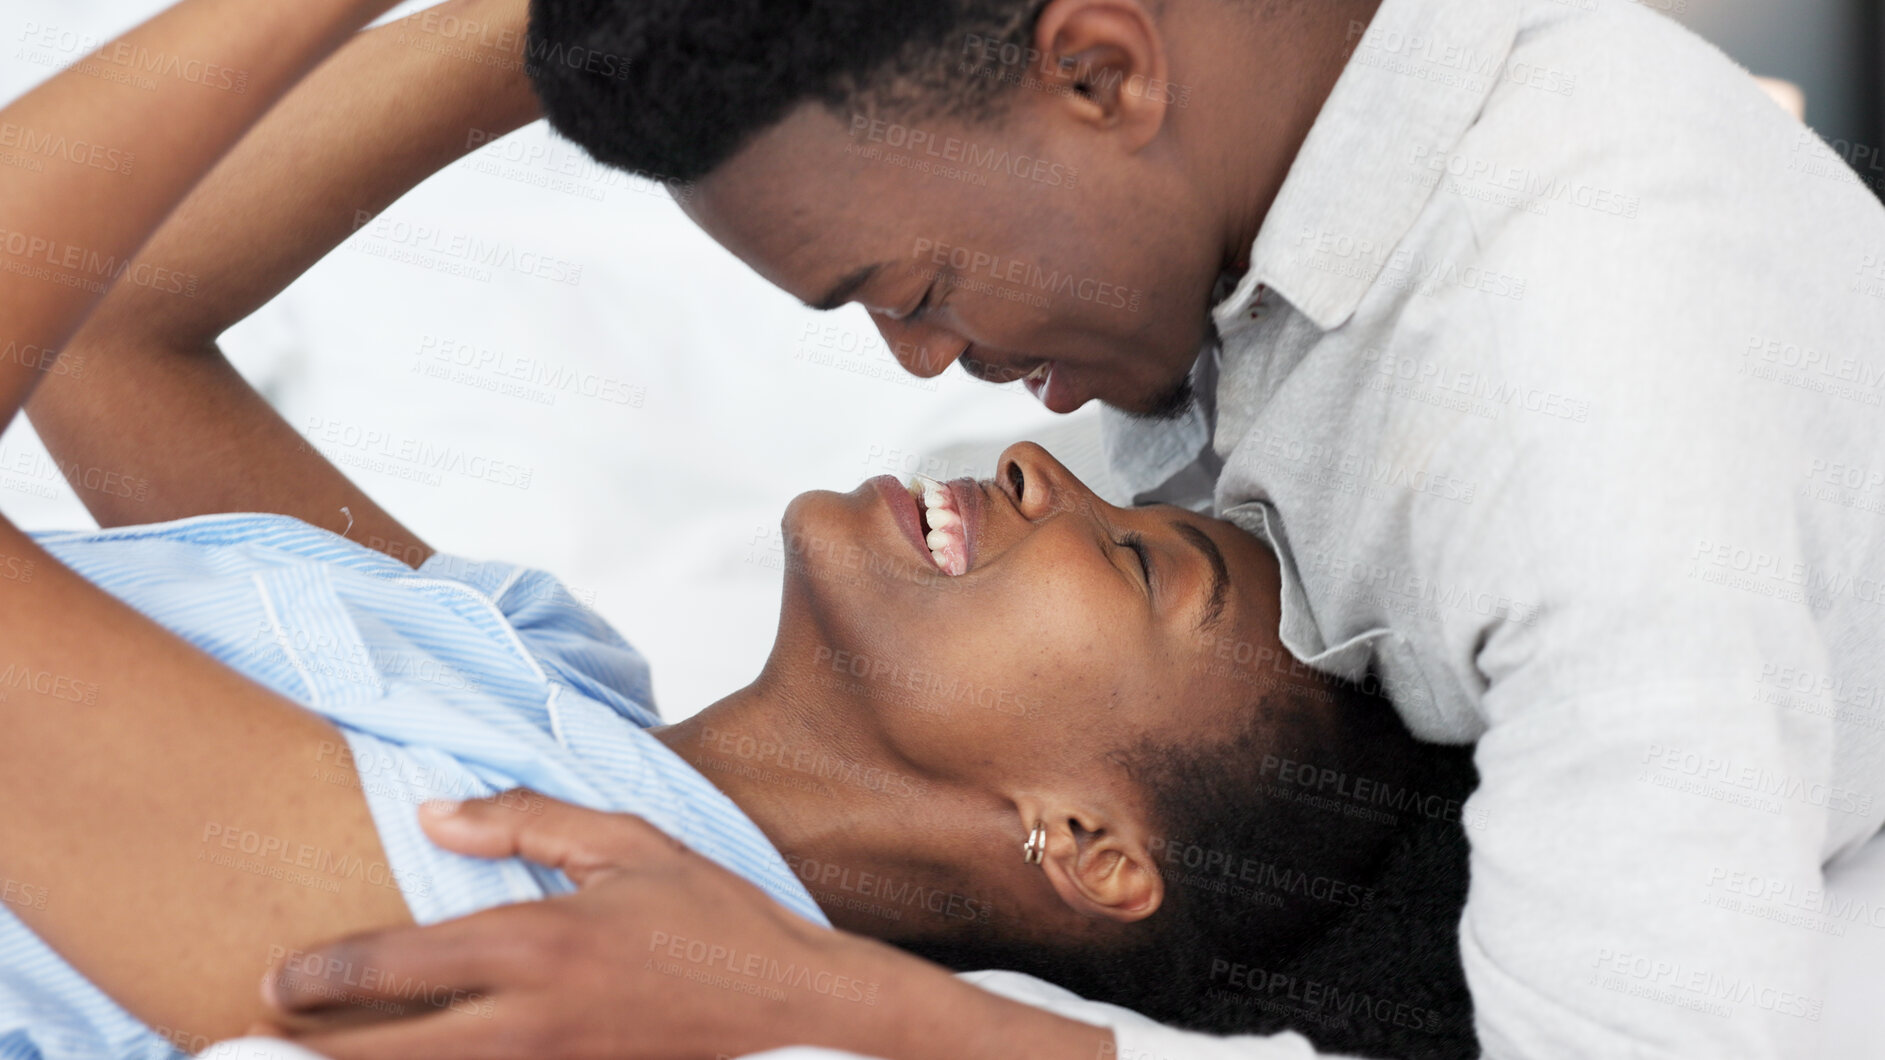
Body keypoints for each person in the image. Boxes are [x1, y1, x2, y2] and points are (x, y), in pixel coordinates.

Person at [247, 0, 1885, 1057]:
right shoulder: (1265, 197)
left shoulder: (1586, 419)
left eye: (919, 291)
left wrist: (852, 1011)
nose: (957, 384)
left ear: (1100, 70)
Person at [0, 6, 1482, 1059]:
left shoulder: (537, 927)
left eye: (1148, 565)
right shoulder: (557, 684)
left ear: (1089, 848)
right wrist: (640, 42)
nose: (1044, 468)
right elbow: (108, 334)